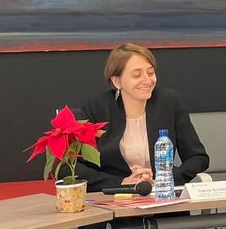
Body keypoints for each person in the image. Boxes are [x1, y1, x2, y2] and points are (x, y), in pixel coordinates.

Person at [75, 43, 209, 191]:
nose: (147, 80)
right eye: (137, 75)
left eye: (150, 73)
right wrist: (121, 182)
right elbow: (71, 167)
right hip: (116, 197)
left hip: (162, 195)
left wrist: (165, 179)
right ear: (117, 81)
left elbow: (198, 157)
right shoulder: (97, 108)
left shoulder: (169, 102)